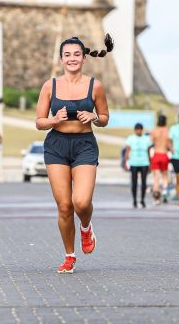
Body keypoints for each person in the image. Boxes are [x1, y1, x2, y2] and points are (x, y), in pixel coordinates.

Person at [35, 35, 112, 274]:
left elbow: (105, 118)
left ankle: (86, 227)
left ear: (84, 57)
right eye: (67, 55)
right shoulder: (50, 86)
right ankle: (69, 255)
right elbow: (39, 121)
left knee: (81, 201)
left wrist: (94, 117)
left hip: (84, 145)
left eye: (76, 54)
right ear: (61, 59)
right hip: (56, 145)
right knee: (65, 206)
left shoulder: (94, 86)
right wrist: (53, 120)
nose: (72, 59)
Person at [124, 123, 152, 208]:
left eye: (140, 129)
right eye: (137, 129)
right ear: (135, 130)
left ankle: (142, 200)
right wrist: (125, 162)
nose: (138, 131)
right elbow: (127, 151)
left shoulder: (146, 138)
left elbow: (148, 151)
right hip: (134, 163)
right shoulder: (130, 138)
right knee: (134, 183)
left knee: (144, 183)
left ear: (142, 130)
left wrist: (150, 163)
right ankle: (134, 200)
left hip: (144, 162)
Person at [150, 115, 170, 205]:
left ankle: (156, 197)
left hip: (156, 154)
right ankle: (165, 191)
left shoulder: (154, 130)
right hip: (164, 154)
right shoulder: (167, 130)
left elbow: (151, 141)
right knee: (165, 175)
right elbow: (170, 143)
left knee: (156, 178)